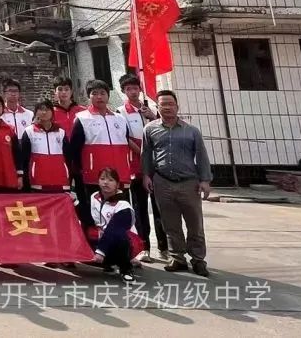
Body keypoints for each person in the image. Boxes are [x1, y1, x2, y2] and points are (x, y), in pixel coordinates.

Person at [142, 89, 212, 277]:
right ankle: (177, 258)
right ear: (157, 107)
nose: (167, 107)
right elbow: (146, 154)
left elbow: (202, 156)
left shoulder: (192, 131)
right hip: (162, 182)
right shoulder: (150, 129)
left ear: (177, 106)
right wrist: (146, 175)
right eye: (163, 104)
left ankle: (198, 259)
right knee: (170, 223)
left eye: (170, 104)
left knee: (195, 224)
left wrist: (205, 180)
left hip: (189, 183)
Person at [69, 79, 133, 225]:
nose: (99, 97)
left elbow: (126, 144)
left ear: (108, 95)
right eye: (95, 93)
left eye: (103, 93)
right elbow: (75, 150)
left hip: (119, 176)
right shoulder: (82, 118)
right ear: (89, 96)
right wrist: (80, 172)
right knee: (95, 218)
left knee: (121, 215)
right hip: (94, 178)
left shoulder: (120, 119)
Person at [117, 73, 166, 263]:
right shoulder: (120, 112)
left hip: (157, 165)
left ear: (140, 89)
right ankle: (144, 247)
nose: (133, 92)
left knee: (160, 207)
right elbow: (125, 137)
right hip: (136, 166)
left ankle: (164, 247)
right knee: (140, 208)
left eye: (135, 88)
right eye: (128, 89)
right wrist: (143, 153)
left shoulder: (152, 108)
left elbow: (163, 130)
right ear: (124, 91)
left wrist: (152, 117)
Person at [88, 167, 142, 282]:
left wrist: (101, 251)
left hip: (124, 243)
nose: (105, 182)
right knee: (85, 232)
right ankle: (107, 264)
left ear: (117, 184)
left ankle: (126, 269)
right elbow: (87, 218)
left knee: (120, 235)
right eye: (102, 179)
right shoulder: (94, 197)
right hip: (101, 239)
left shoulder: (123, 205)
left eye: (110, 180)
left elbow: (114, 228)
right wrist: (75, 202)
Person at [19, 100, 70, 193]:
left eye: (47, 109)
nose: (44, 112)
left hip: (60, 179)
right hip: (37, 181)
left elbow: (68, 157)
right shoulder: (29, 132)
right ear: (35, 112)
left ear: (52, 112)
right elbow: (24, 158)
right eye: (41, 109)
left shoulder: (61, 132)